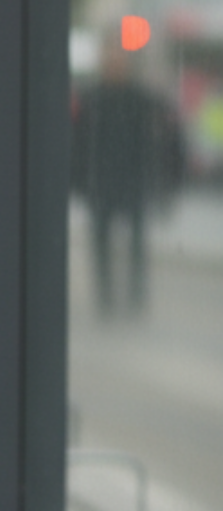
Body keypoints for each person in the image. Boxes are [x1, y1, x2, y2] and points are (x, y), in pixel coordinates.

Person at [72, 41, 184, 314]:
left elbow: (162, 140)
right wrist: (78, 181)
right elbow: (78, 142)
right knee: (101, 241)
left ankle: (136, 294)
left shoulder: (141, 99)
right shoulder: (92, 98)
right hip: (101, 181)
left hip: (132, 181)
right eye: (111, 62)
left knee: (136, 241)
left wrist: (162, 184)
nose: (115, 68)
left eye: (119, 63)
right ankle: (106, 295)